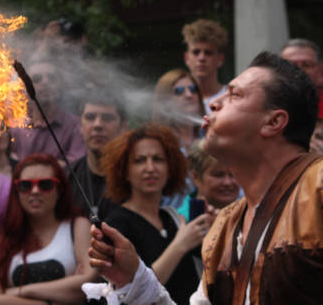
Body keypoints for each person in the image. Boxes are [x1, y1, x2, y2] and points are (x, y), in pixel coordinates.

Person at [86, 52, 322, 305]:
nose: (213, 103)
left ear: (274, 121)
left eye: (234, 95)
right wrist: (133, 279)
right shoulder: (223, 228)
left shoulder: (317, 186)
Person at [100, 124, 209, 305]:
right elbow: (133, 292)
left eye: (158, 159)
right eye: (139, 161)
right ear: (124, 171)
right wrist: (180, 245)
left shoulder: (172, 218)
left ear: (170, 168)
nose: (150, 168)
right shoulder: (117, 224)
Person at [0, 153, 97, 305]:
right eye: (25, 185)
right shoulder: (4, 239)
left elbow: (90, 284)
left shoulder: (78, 226)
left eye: (45, 184)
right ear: (16, 192)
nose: (35, 191)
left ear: (60, 190)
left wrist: (22, 291)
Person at [10, 60, 86, 164]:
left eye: (52, 78)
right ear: (23, 87)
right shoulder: (15, 127)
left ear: (60, 85)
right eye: (37, 79)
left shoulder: (76, 125)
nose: (45, 82)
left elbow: (76, 163)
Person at [69, 96, 126, 221]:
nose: (98, 125)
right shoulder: (66, 178)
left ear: (123, 126)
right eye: (90, 117)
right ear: (80, 126)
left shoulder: (134, 178)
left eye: (107, 118)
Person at [177, 140, 239, 221]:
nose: (227, 182)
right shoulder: (179, 222)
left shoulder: (249, 215)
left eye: (233, 175)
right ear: (195, 177)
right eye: (218, 175)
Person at [152, 69, 205, 152]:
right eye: (179, 91)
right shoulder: (158, 141)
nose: (189, 95)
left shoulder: (209, 135)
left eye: (193, 89)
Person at [182, 19, 228, 113]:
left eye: (208, 53)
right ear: (186, 58)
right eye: (196, 52)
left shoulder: (230, 98)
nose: (201, 58)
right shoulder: (177, 98)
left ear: (220, 59)